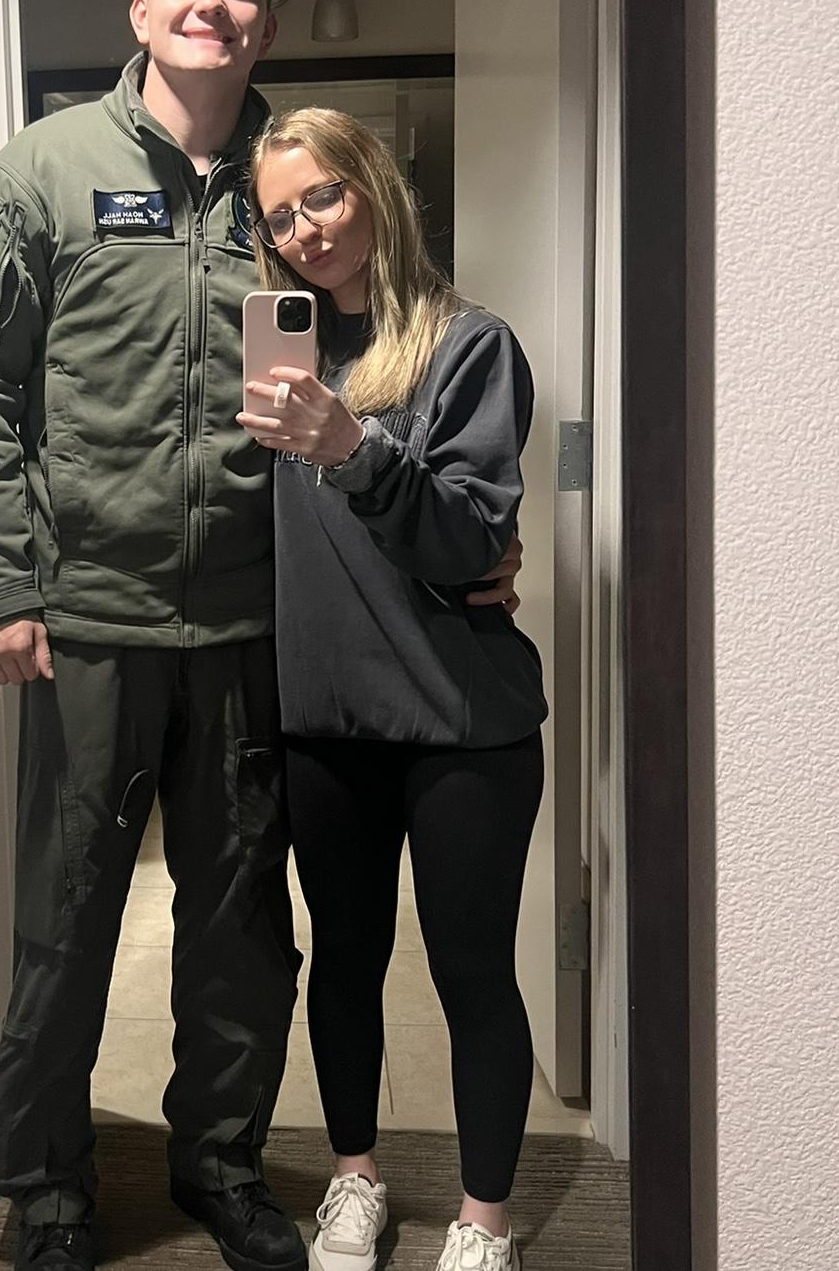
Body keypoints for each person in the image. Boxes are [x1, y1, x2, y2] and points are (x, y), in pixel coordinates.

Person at [0, 0, 521, 1271]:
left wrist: (471, 536)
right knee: (68, 921)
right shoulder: (45, 172)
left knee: (246, 928)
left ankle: (221, 1164)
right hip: (92, 619)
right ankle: (49, 1191)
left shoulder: (284, 191)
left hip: (259, 627)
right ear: (142, 12)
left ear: (263, 24)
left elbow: (383, 360)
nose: (215, 3)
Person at [236, 108, 547, 1271]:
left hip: (463, 719)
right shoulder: (277, 360)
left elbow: (468, 540)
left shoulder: (470, 347)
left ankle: (484, 1221)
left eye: (321, 196)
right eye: (280, 216)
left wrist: (353, 450)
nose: (305, 230)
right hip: (327, 718)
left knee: (471, 972)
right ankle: (355, 1178)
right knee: (347, 959)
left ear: (372, 186)